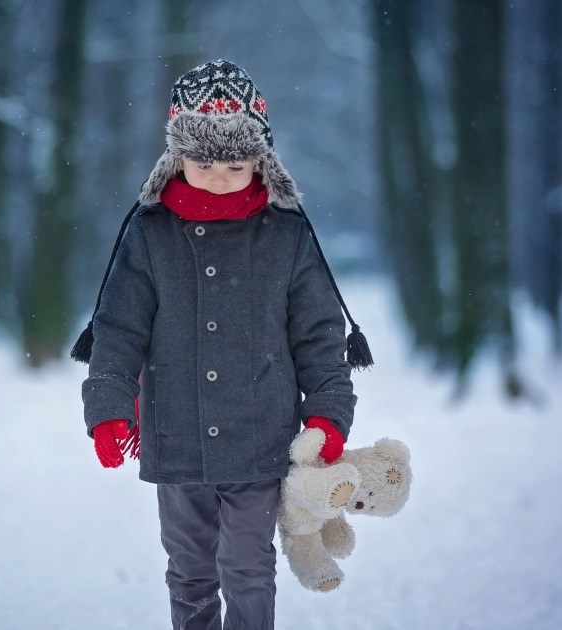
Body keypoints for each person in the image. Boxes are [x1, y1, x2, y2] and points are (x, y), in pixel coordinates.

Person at [73, 59, 371, 629]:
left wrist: (328, 417)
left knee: (248, 564)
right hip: (175, 436)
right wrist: (109, 409)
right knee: (189, 566)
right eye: (203, 162)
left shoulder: (286, 233)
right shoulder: (150, 232)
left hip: (260, 437)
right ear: (175, 158)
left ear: (261, 159)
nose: (218, 175)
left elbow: (319, 337)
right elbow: (119, 329)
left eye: (235, 163)